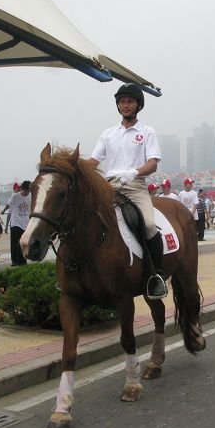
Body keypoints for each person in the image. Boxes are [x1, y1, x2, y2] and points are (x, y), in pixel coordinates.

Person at [86, 83, 166, 300]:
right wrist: (73, 166)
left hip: (134, 186)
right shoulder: (108, 134)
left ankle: (156, 275)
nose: (125, 105)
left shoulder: (147, 132)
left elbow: (153, 164)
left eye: (130, 101)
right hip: (109, 187)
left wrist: (133, 173)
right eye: (122, 101)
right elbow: (94, 161)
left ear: (138, 105)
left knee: (149, 225)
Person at [7, 180, 31, 267]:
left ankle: (22, 260)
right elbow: (9, 208)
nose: (24, 192)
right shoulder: (15, 196)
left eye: (26, 190)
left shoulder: (31, 196)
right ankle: (15, 261)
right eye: (23, 190)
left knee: (23, 243)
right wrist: (6, 225)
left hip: (26, 224)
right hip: (15, 222)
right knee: (14, 243)